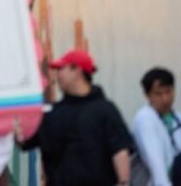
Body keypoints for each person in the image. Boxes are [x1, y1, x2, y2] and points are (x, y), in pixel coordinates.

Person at [18, 49, 132, 185]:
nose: (57, 74)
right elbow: (24, 140)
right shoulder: (52, 113)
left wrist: (123, 182)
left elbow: (120, 150)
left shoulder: (105, 110)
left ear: (76, 70)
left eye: (60, 69)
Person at [132, 67, 181, 185]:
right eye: (158, 94)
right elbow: (156, 164)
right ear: (147, 95)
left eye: (168, 91)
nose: (165, 99)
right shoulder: (145, 119)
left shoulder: (177, 117)